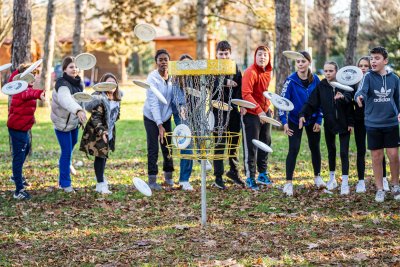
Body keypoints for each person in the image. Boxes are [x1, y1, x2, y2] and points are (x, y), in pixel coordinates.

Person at [299, 61, 354, 195]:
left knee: (343, 152)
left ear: (337, 71)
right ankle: (332, 179)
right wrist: (303, 114)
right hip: (329, 123)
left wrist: (350, 122)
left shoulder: (343, 84)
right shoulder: (321, 85)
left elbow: (349, 99)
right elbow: (312, 103)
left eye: (331, 71)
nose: (328, 73)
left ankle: (345, 183)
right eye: (326, 71)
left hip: (344, 123)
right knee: (331, 151)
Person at [355, 46, 400, 202]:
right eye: (371, 58)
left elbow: (397, 99)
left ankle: (395, 185)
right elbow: (360, 91)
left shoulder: (395, 79)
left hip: (391, 122)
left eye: (377, 58)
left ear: (385, 61)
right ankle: (380, 188)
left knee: (393, 155)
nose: (373, 61)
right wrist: (359, 97)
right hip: (373, 123)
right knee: (376, 156)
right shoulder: (367, 77)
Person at [279, 51, 324, 196]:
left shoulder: (316, 79)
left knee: (315, 147)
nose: (300, 64)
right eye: (298, 62)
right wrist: (284, 123)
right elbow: (281, 102)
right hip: (294, 120)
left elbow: (321, 100)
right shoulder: (290, 81)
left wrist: (318, 119)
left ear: (309, 62)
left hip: (312, 119)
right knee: (294, 149)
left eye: (303, 61)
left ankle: (317, 177)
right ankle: (288, 183)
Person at [79, 73, 123, 194]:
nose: (110, 86)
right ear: (102, 86)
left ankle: (100, 177)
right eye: (107, 83)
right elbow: (95, 118)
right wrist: (102, 131)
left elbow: (115, 115)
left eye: (113, 83)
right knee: (100, 156)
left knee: (104, 156)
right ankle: (100, 184)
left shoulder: (117, 98)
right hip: (97, 133)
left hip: (109, 132)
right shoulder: (100, 100)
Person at [7, 64, 45, 200]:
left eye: (34, 74)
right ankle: (18, 190)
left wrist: (18, 69)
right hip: (17, 128)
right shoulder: (20, 89)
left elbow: (13, 79)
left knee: (26, 148)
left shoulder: (23, 86)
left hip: (23, 127)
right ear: (22, 78)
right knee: (19, 156)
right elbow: (29, 94)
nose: (33, 77)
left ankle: (15, 175)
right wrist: (40, 94)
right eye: (31, 74)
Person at [51, 56, 87, 193]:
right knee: (66, 152)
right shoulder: (62, 84)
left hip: (73, 123)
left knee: (71, 147)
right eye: (71, 67)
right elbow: (66, 100)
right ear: (65, 69)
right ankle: (65, 184)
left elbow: (82, 99)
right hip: (62, 124)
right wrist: (78, 110)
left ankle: (66, 164)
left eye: (76, 67)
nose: (75, 69)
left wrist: (82, 111)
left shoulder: (79, 83)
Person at [353, 57, 389, 193]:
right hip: (359, 121)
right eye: (361, 65)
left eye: (366, 66)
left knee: (379, 151)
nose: (363, 68)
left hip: (375, 120)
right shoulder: (354, 83)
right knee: (361, 150)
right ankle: (361, 181)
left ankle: (384, 179)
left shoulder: (376, 81)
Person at [212, 40, 244, 189]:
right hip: (217, 110)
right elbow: (211, 83)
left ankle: (234, 171)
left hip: (232, 110)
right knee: (219, 143)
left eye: (226, 53)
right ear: (216, 54)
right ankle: (218, 176)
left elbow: (240, 87)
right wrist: (225, 82)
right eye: (221, 54)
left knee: (233, 142)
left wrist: (240, 105)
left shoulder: (235, 68)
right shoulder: (212, 68)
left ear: (230, 54)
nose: (223, 56)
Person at [241, 45, 273, 191]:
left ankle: (262, 174)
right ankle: (250, 177)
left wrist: (268, 107)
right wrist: (259, 111)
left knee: (265, 143)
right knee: (251, 146)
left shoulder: (269, 72)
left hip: (265, 113)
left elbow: (264, 92)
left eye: (265, 55)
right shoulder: (250, 72)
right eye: (260, 55)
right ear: (255, 56)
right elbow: (246, 94)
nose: (262, 57)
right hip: (252, 114)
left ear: (269, 58)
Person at [143, 49, 174, 190]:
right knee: (153, 147)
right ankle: (152, 180)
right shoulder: (152, 78)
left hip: (166, 117)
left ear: (169, 61)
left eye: (165, 59)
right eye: (160, 59)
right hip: (151, 117)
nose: (163, 62)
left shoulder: (173, 77)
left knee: (167, 146)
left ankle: (169, 177)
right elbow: (154, 103)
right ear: (156, 62)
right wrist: (159, 124)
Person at [171, 54, 194, 191]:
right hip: (181, 114)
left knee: (194, 143)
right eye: (184, 64)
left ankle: (187, 178)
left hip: (193, 114)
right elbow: (177, 97)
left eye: (189, 64)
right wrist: (182, 107)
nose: (186, 67)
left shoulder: (194, 79)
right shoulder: (176, 80)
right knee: (187, 145)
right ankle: (184, 179)